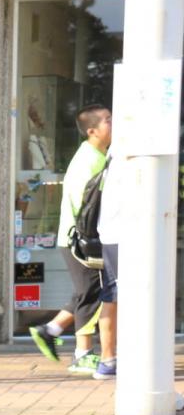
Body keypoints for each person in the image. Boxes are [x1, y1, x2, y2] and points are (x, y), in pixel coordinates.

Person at [28, 104, 111, 373]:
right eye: (108, 120)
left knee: (85, 291)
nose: (114, 123)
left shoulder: (97, 155)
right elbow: (85, 206)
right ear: (92, 130)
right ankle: (82, 354)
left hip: (77, 239)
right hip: (81, 241)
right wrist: (92, 240)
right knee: (91, 293)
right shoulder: (90, 161)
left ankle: (50, 329)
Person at [93, 145, 123, 380]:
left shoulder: (115, 151)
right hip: (121, 235)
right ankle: (108, 358)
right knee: (116, 297)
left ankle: (109, 359)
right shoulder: (126, 149)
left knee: (113, 296)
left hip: (114, 234)